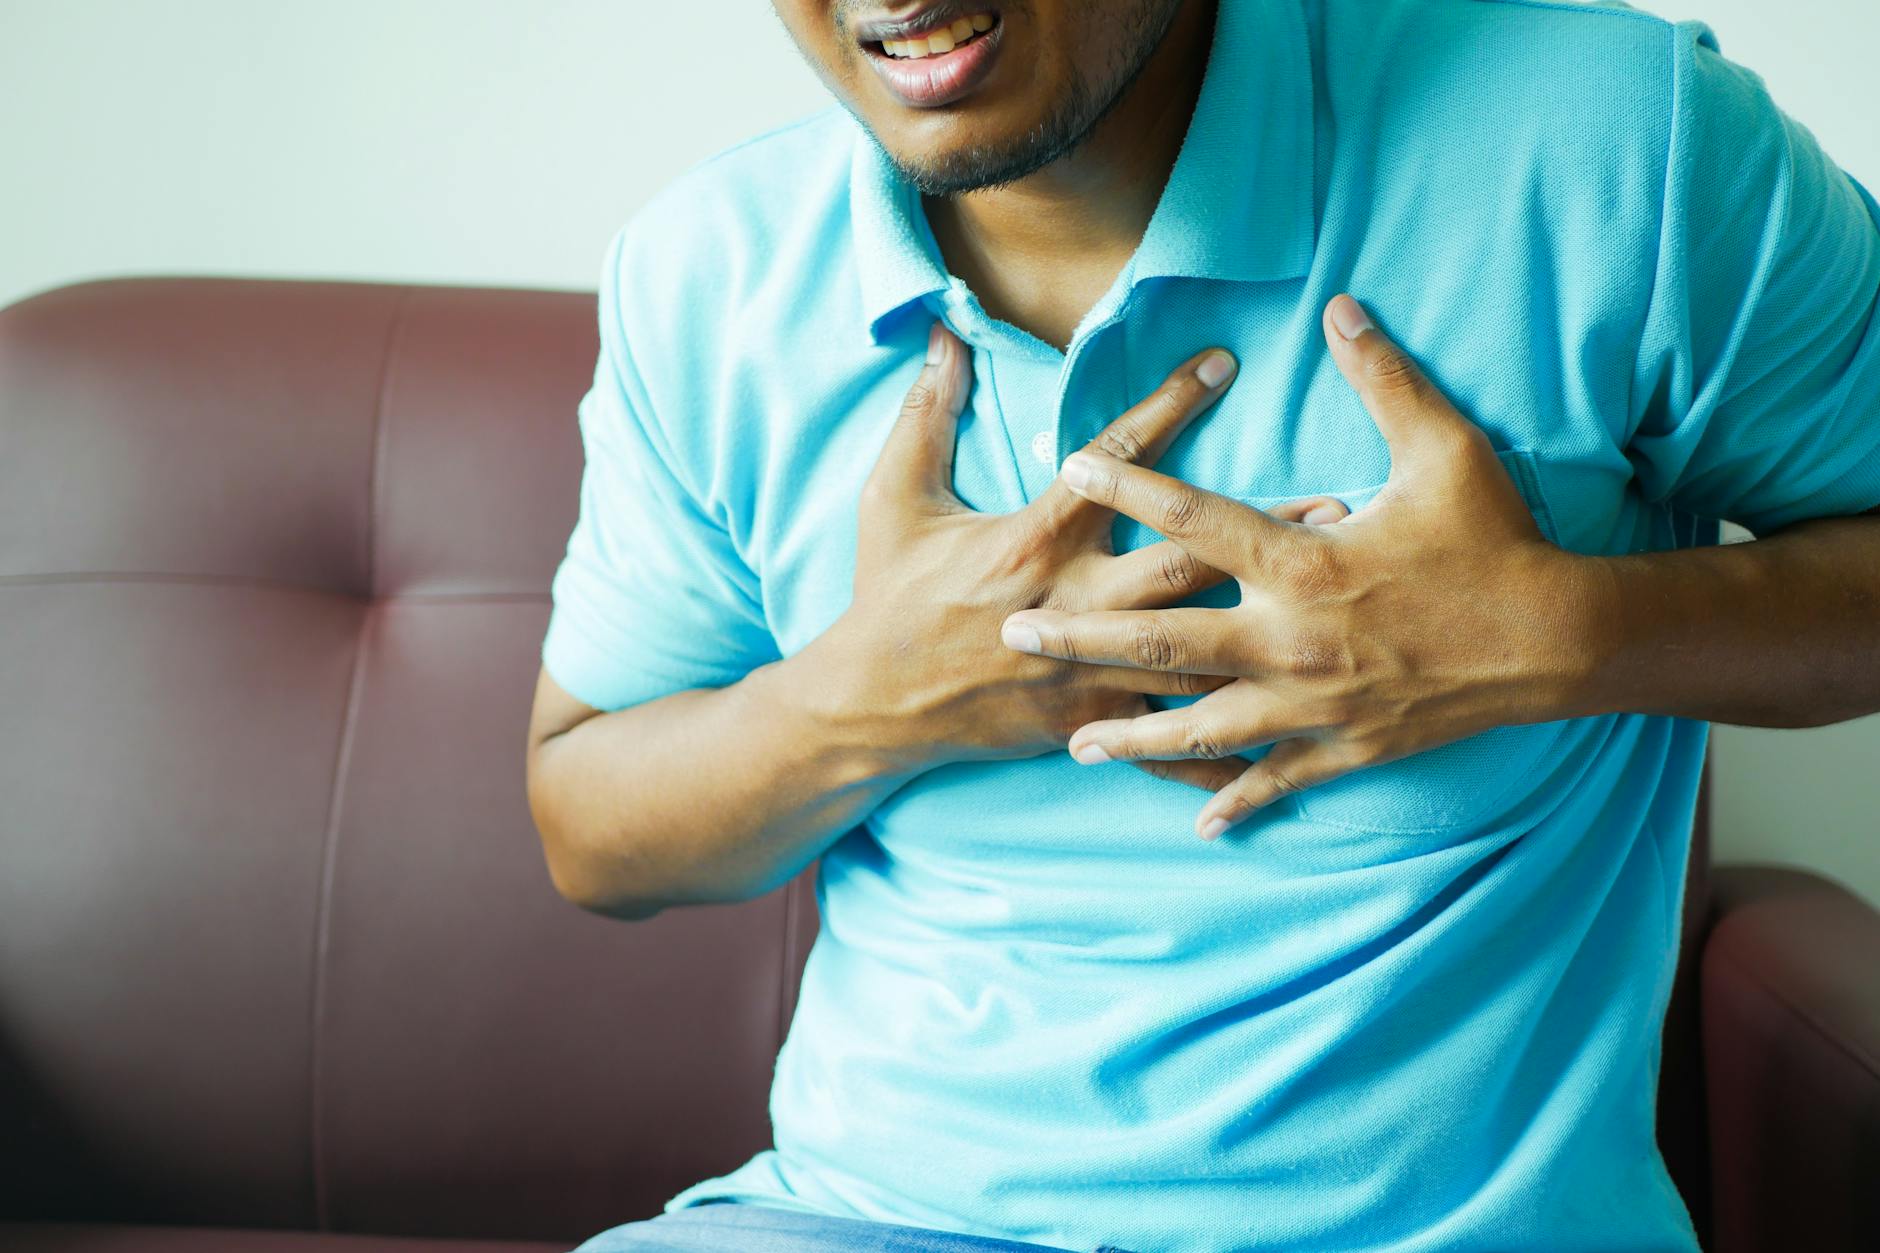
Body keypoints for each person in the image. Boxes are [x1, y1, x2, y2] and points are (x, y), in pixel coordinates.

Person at [524, 1, 1880, 1249]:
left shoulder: (1620, 138)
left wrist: (1562, 635)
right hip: (854, 1218)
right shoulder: (701, 272)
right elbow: (588, 820)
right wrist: (865, 699)